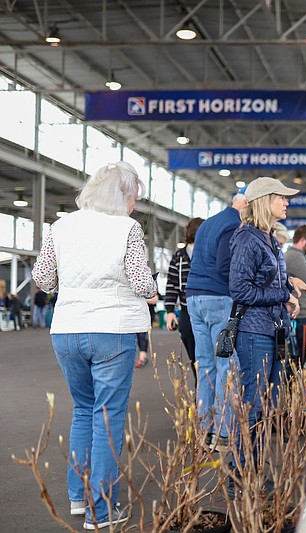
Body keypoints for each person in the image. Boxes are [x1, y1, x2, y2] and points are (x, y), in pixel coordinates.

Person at [31, 161, 155, 529]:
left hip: (67, 330)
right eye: (134, 197)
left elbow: (42, 278)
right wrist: (151, 289)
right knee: (107, 417)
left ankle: (76, 498)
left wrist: (67, 287)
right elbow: (141, 283)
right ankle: (102, 512)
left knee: (83, 409)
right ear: (123, 194)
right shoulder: (127, 228)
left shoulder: (60, 225)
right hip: (112, 330)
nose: (135, 205)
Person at [228, 177, 300, 488]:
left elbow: (270, 280)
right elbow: (240, 289)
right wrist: (281, 296)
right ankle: (242, 471)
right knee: (253, 404)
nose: (286, 202)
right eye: (281, 197)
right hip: (254, 332)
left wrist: (288, 291)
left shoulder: (267, 238)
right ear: (264, 200)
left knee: (264, 405)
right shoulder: (247, 239)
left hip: (271, 330)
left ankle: (252, 467)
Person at [185, 188, 248, 449]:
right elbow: (225, 265)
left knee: (206, 365)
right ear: (246, 204)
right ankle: (223, 431)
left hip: (194, 299)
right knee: (227, 365)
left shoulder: (209, 223)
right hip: (218, 299)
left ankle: (204, 430)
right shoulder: (233, 225)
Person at [165, 217, 204, 385]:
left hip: (205, 309)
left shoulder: (208, 254)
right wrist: (169, 311)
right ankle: (200, 386)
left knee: (206, 354)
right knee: (194, 354)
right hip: (187, 312)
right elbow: (172, 284)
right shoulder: (178, 257)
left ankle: (203, 391)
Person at [284, 225, 306, 366]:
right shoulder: (296, 257)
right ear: (303, 240)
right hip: (302, 315)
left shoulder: (294, 256)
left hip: (301, 314)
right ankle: (296, 387)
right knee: (301, 358)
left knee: (298, 357)